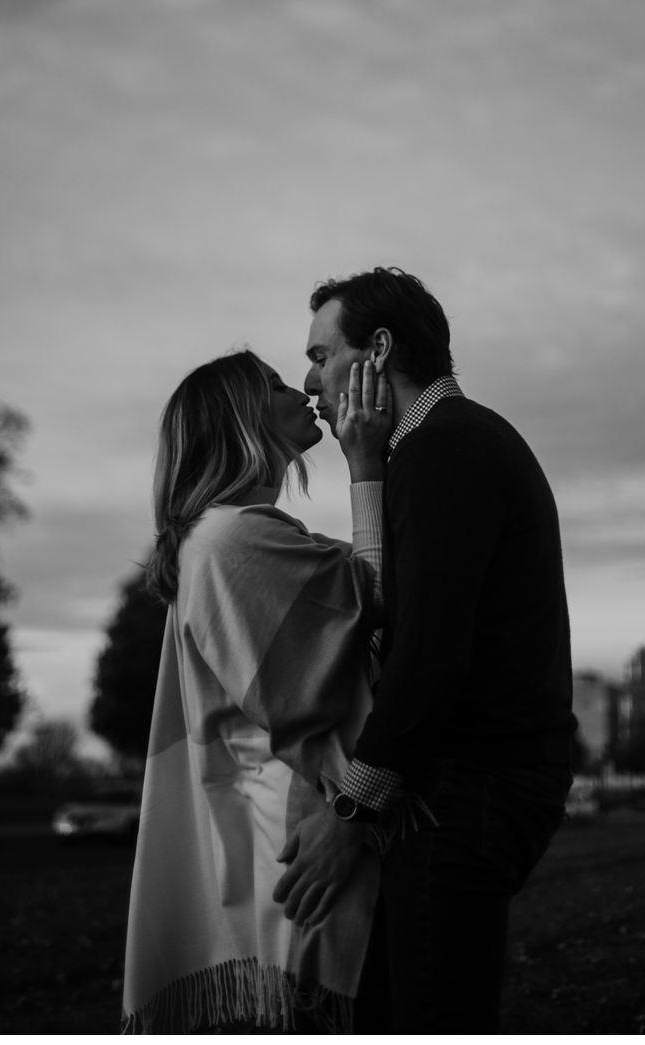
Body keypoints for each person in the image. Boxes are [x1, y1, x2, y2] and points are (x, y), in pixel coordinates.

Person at [273, 267, 576, 1032]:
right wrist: (364, 469)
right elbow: (386, 616)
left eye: (319, 354)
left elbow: (428, 655)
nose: (309, 379)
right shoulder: (438, 447)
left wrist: (350, 811)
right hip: (463, 787)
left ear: (377, 350)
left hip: (468, 793)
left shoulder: (448, 450)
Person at [121, 350, 394, 1032]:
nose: (300, 389)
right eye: (273, 384)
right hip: (303, 841)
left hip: (285, 838)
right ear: (242, 421)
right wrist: (366, 461)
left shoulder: (228, 536)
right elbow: (383, 599)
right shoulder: (234, 539)